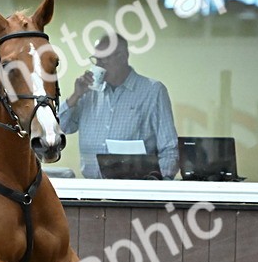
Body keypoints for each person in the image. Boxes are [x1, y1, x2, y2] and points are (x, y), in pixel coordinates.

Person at [60, 30, 179, 179]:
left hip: (134, 190)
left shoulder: (152, 91)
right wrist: (75, 96)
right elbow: (62, 127)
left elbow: (169, 148)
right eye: (96, 60)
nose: (98, 66)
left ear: (123, 57)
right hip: (92, 188)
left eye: (103, 61)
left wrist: (158, 186)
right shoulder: (88, 92)